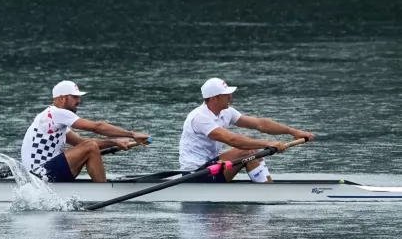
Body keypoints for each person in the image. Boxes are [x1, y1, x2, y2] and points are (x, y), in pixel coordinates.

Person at [179, 77, 315, 183]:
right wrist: (269, 144)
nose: (231, 97)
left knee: (251, 151)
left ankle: (267, 188)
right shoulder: (199, 118)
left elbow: (260, 124)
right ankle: (269, 192)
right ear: (214, 98)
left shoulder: (226, 112)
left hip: (212, 169)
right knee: (246, 151)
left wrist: (292, 131)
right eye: (227, 94)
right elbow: (233, 140)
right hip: (195, 174)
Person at [20, 80, 150, 183]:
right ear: (62, 98)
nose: (78, 101)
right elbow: (97, 127)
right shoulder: (57, 113)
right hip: (41, 175)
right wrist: (132, 134)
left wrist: (115, 142)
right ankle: (103, 192)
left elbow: (80, 142)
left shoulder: (51, 118)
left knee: (89, 146)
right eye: (75, 97)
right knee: (90, 147)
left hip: (40, 174)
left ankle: (100, 187)